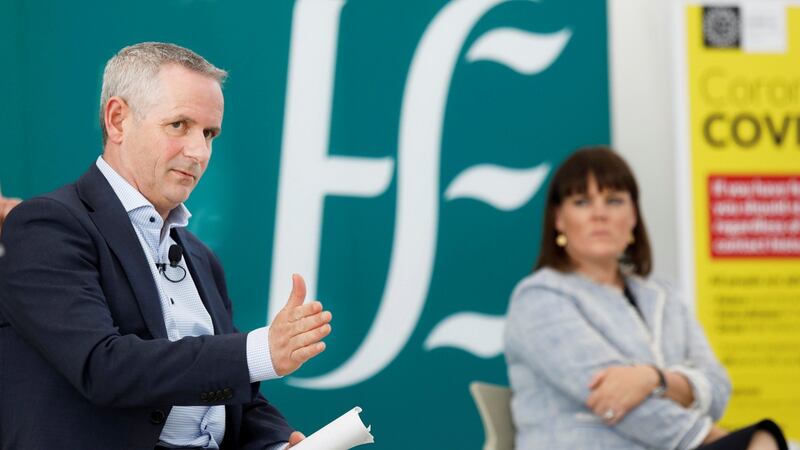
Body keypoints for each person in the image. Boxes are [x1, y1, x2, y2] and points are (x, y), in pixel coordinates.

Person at [0, 42, 332, 450]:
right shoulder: (48, 226)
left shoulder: (201, 258)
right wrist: (259, 350)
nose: (199, 152)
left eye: (209, 133)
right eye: (179, 125)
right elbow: (102, 367)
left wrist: (279, 442)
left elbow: (233, 397)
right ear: (118, 120)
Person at [503, 147, 787, 450]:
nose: (600, 214)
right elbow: (616, 402)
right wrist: (718, 439)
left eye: (614, 201)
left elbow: (717, 387)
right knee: (764, 441)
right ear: (558, 219)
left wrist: (652, 379)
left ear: (633, 216)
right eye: (582, 202)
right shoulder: (539, 298)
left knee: (766, 441)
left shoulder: (664, 296)